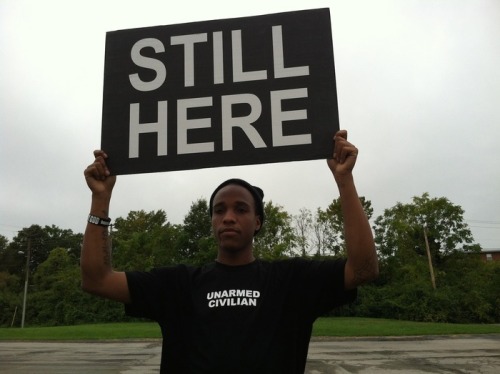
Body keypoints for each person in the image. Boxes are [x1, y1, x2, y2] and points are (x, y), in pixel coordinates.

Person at [81, 129, 378, 373]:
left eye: (241, 209)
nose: (228, 217)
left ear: (258, 221)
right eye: (219, 210)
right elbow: (97, 279)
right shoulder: (180, 284)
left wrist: (344, 179)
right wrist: (100, 198)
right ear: (211, 221)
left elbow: (363, 269)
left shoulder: (290, 281)